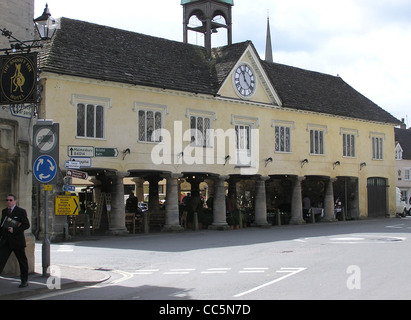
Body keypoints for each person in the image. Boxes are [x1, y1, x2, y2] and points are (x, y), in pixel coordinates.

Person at [0, 193, 30, 288]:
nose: (8, 202)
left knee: (22, 261)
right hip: (6, 241)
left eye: (10, 200)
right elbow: (2, 225)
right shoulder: (4, 211)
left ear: (15, 201)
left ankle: (24, 281)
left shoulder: (21, 211)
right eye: (7, 200)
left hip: (17, 241)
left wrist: (15, 230)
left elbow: (26, 225)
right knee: (1, 260)